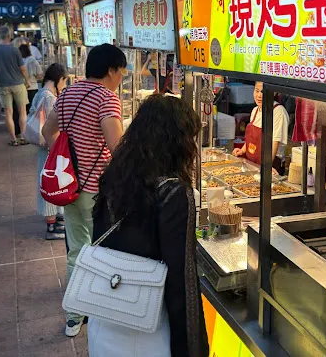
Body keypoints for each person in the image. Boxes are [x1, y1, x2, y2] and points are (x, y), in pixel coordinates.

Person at [91, 95, 209, 357]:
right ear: (177, 142)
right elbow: (180, 281)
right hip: (144, 327)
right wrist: (191, 348)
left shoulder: (114, 175)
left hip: (104, 316)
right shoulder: (173, 193)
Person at [41, 43, 126, 337]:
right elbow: (117, 149)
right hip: (96, 191)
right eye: (122, 72)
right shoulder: (107, 99)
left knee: (77, 251)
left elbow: (47, 131)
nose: (122, 78)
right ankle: (105, 313)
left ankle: (74, 317)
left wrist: (64, 162)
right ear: (111, 70)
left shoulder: (67, 94)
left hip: (70, 188)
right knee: (105, 251)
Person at [30, 63, 69, 240]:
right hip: (50, 148)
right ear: (59, 79)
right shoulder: (50, 98)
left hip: (43, 148)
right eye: (64, 82)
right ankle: (51, 226)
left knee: (48, 180)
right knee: (51, 183)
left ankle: (57, 219)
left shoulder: (39, 93)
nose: (64, 86)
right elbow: (52, 128)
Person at [0, 26, 33, 146]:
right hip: (18, 83)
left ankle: (13, 139)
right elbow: (22, 68)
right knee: (22, 110)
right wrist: (27, 81)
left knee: (8, 112)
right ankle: (22, 136)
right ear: (9, 36)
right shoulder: (15, 50)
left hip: (2, 85)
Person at [233, 81, 290, 172]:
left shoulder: (278, 112)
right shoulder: (255, 110)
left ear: (273, 93)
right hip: (251, 164)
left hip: (270, 165)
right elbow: (251, 140)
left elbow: (274, 143)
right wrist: (242, 150)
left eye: (263, 92)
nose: (259, 95)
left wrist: (266, 167)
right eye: (257, 91)